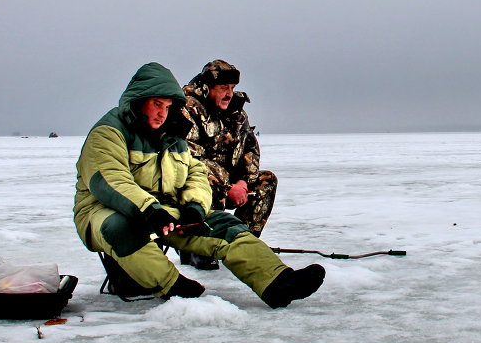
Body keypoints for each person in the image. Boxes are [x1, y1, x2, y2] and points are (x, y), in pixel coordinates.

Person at [72, 62, 324, 308]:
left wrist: (194, 205)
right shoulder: (109, 132)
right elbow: (110, 181)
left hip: (162, 208)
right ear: (139, 102)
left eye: (168, 106)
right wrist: (150, 210)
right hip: (103, 210)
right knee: (122, 227)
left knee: (224, 225)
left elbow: (194, 173)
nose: (162, 112)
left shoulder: (171, 136)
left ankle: (276, 281)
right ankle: (172, 284)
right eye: (156, 104)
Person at [181, 60, 277, 239]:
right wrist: (227, 187)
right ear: (207, 87)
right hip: (201, 181)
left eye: (232, 88)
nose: (229, 94)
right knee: (205, 184)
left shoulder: (237, 113)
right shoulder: (188, 109)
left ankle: (243, 240)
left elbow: (250, 148)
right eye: (224, 87)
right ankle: (198, 246)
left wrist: (243, 182)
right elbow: (191, 157)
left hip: (232, 183)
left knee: (266, 181)